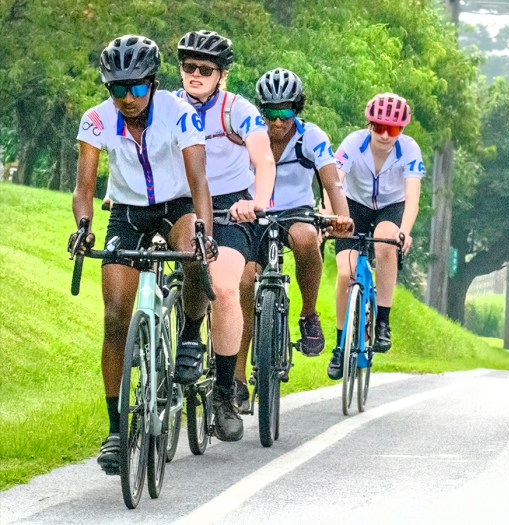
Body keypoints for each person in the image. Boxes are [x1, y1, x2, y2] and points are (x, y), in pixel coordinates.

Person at [69, 35, 214, 474]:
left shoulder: (180, 114)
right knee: (115, 316)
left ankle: (190, 332)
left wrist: (204, 228)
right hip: (127, 213)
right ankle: (115, 430)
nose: (127, 98)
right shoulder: (95, 121)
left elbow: (199, 179)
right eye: (118, 89)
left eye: (136, 87)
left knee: (192, 252)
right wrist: (83, 227)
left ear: (152, 83)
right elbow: (84, 189)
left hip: (176, 205)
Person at [175, 30, 276, 440]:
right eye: (188, 67)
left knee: (225, 288)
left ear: (222, 75)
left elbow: (264, 160)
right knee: (175, 268)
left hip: (232, 207)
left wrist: (258, 201)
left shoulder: (238, 110)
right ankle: (184, 337)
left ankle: (222, 393)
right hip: (181, 202)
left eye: (205, 69)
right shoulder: (167, 106)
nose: (195, 75)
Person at [233, 68, 353, 408]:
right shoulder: (249, 134)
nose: (277, 121)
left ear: (296, 110)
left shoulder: (311, 136)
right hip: (253, 212)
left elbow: (332, 183)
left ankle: (309, 314)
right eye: (269, 113)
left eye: (285, 112)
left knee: (305, 238)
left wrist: (342, 217)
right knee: (243, 282)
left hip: (294, 211)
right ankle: (237, 381)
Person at [327, 93, 424, 380]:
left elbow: (412, 197)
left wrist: (404, 231)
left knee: (386, 243)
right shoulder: (353, 143)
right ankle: (339, 343)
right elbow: (334, 182)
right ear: (369, 125)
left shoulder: (409, 149)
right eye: (378, 127)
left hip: (391, 208)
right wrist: (330, 217)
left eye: (392, 129)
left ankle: (383, 321)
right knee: (345, 273)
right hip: (353, 206)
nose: (384, 135)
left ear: (402, 130)